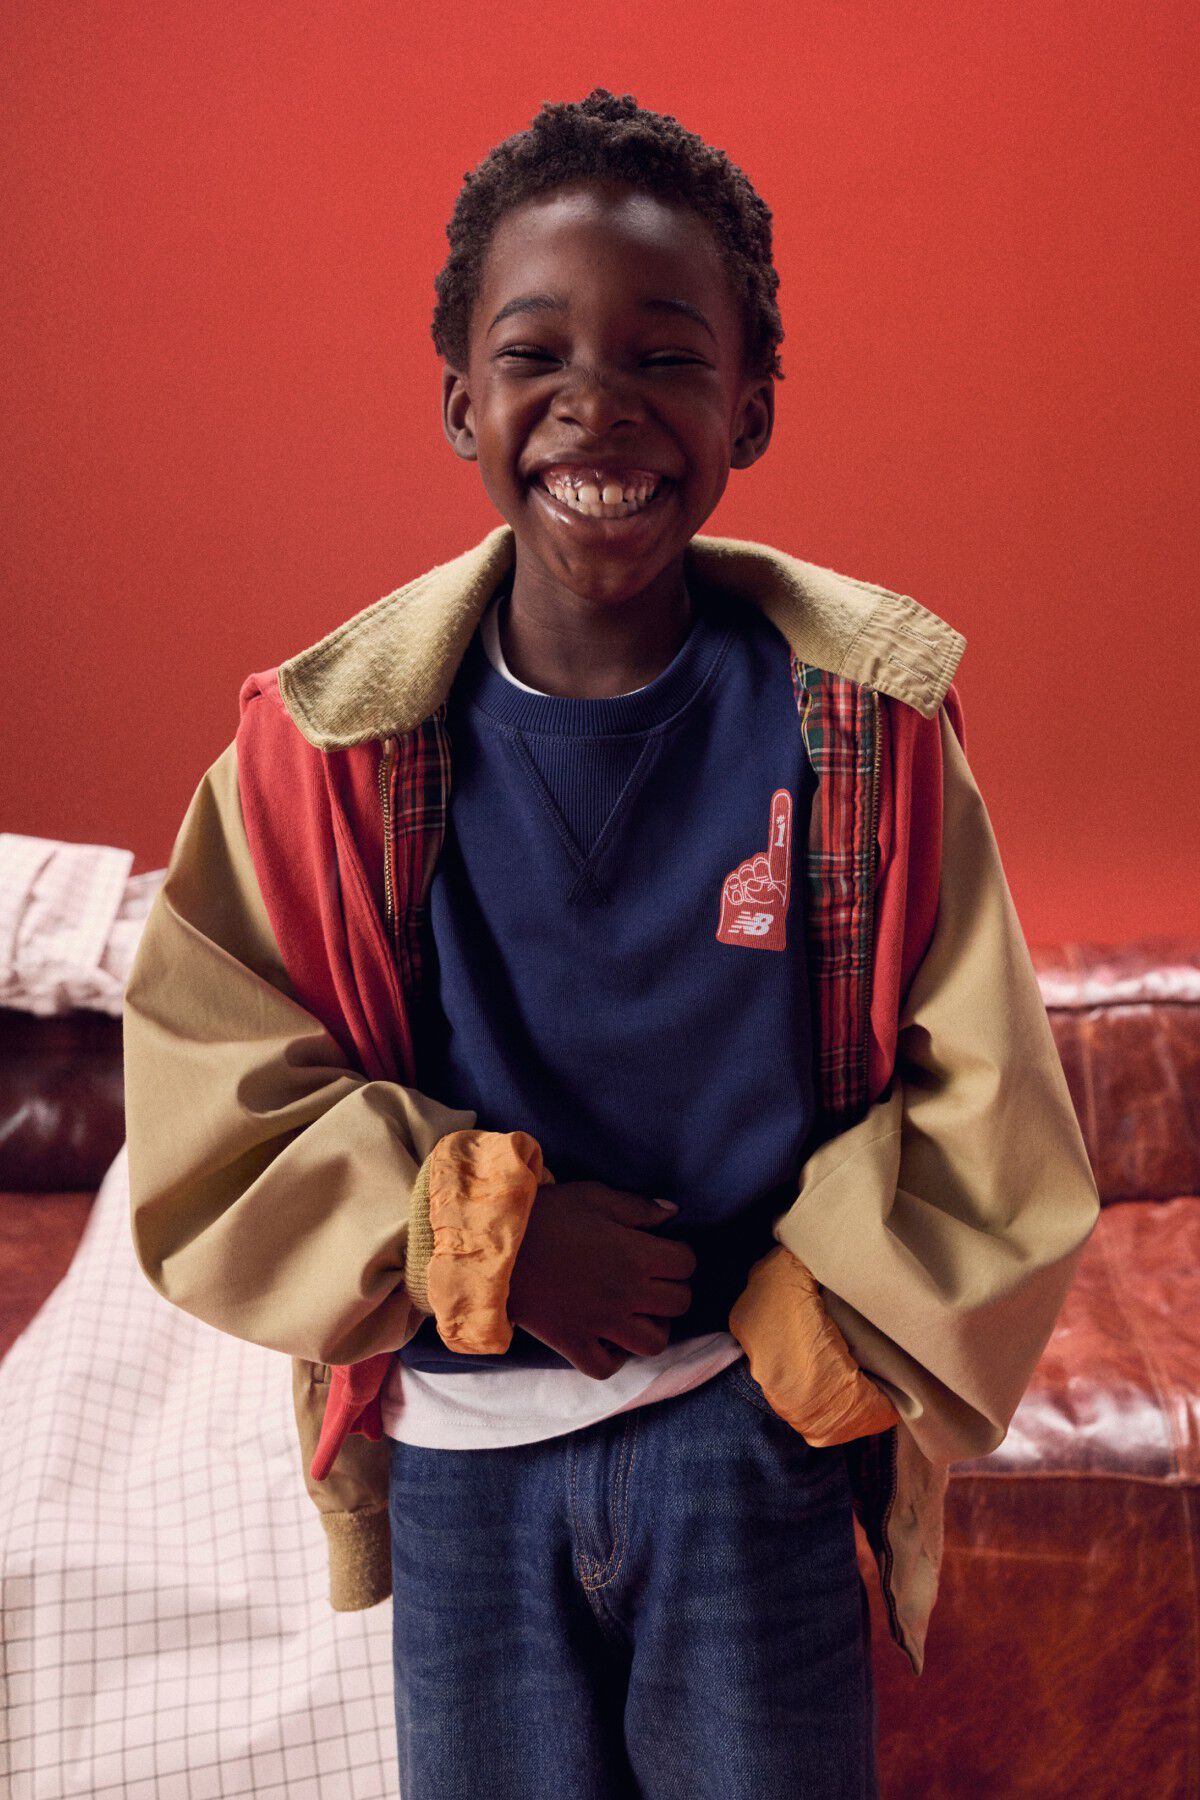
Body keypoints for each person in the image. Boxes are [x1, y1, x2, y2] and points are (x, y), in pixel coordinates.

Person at [124, 88, 1101, 1800]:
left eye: (665, 356)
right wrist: (483, 1241)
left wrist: (815, 1336)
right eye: (535, 355)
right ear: (461, 404)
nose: (600, 403)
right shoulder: (323, 756)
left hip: (748, 1449)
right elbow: (218, 1102)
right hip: (463, 1459)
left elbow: (993, 1109)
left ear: (750, 407)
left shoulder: (860, 734)